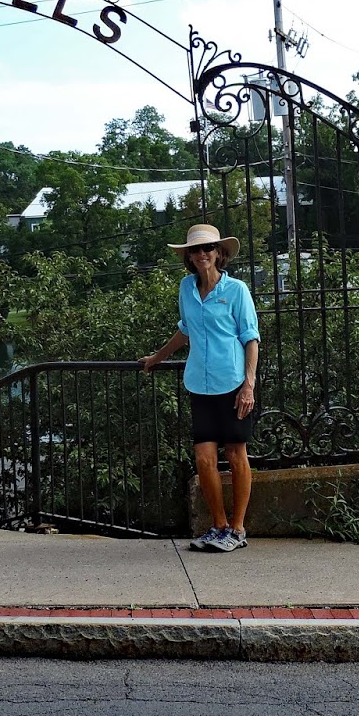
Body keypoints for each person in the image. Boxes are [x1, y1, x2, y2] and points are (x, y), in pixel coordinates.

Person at [140, 222, 260, 553]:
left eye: (207, 249)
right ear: (189, 257)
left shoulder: (236, 291)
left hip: (233, 383)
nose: (201, 254)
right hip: (199, 384)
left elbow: (251, 339)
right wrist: (158, 357)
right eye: (195, 250)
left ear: (219, 253)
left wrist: (248, 385)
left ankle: (237, 528)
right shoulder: (186, 288)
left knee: (236, 454)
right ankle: (219, 525)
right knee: (204, 458)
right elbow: (186, 330)